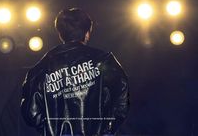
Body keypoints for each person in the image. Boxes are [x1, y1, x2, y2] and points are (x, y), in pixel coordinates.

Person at [21, 8, 129, 136]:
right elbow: (122, 99)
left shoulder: (40, 70)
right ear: (87, 33)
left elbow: (30, 113)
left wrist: (50, 129)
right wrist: (107, 129)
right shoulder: (104, 60)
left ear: (60, 34)